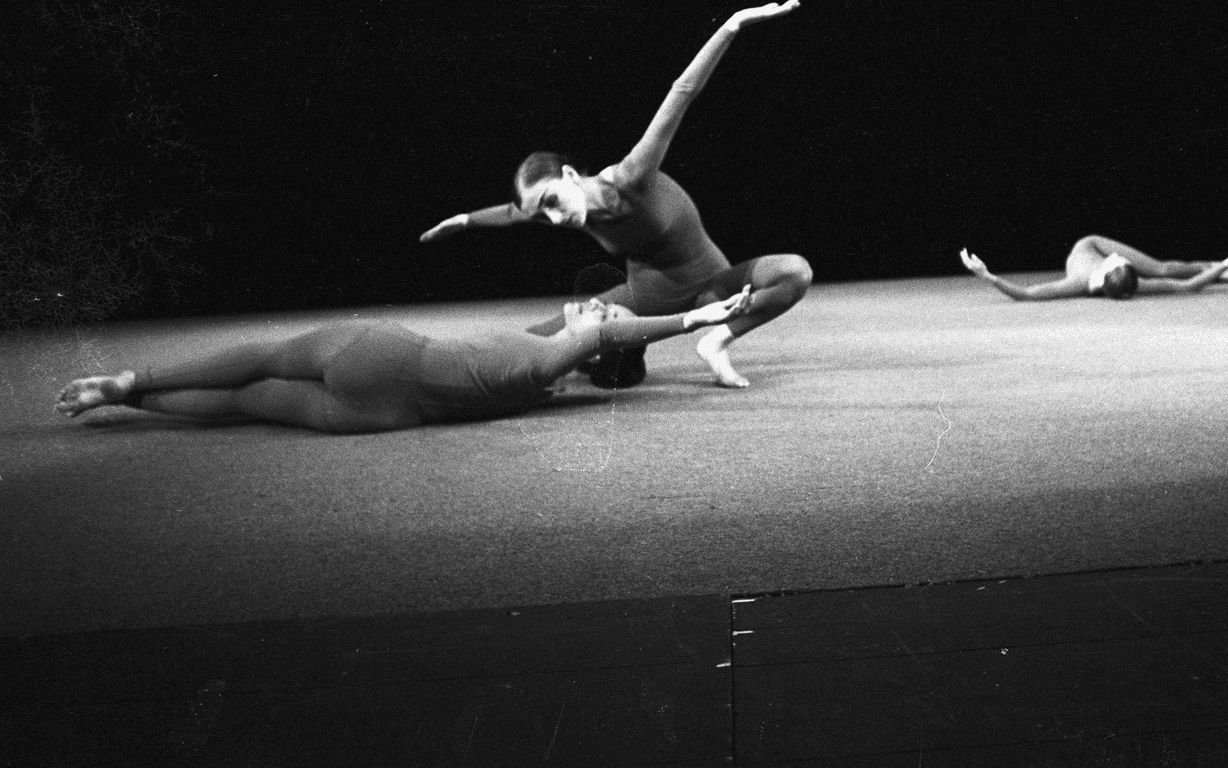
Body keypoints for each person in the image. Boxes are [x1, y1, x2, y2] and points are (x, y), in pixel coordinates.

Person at [419, 0, 812, 389]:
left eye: (551, 201)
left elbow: (682, 91)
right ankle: (440, 367)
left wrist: (733, 24)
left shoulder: (631, 178)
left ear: (570, 174)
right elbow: (511, 212)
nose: (554, 218)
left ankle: (715, 343)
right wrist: (464, 220)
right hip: (645, 300)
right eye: (542, 214)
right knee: (536, 340)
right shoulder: (563, 211)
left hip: (712, 286)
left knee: (794, 272)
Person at [54, 288, 753, 433]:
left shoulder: (550, 357)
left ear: (600, 350)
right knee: (244, 404)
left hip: (382, 353)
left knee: (260, 357)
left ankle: (134, 382)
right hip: (377, 414)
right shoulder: (540, 379)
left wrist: (692, 319)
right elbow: (594, 333)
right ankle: (130, 399)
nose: (596, 307)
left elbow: (597, 337)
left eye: (606, 316)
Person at [959, 232, 1228, 300]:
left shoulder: (1083, 280)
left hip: (1091, 244)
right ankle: (1226, 266)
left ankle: (1216, 265)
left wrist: (987, 275)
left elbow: (1026, 294)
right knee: (1164, 275)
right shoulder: (1086, 284)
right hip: (1097, 259)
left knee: (1161, 268)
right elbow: (1188, 287)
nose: (1124, 261)